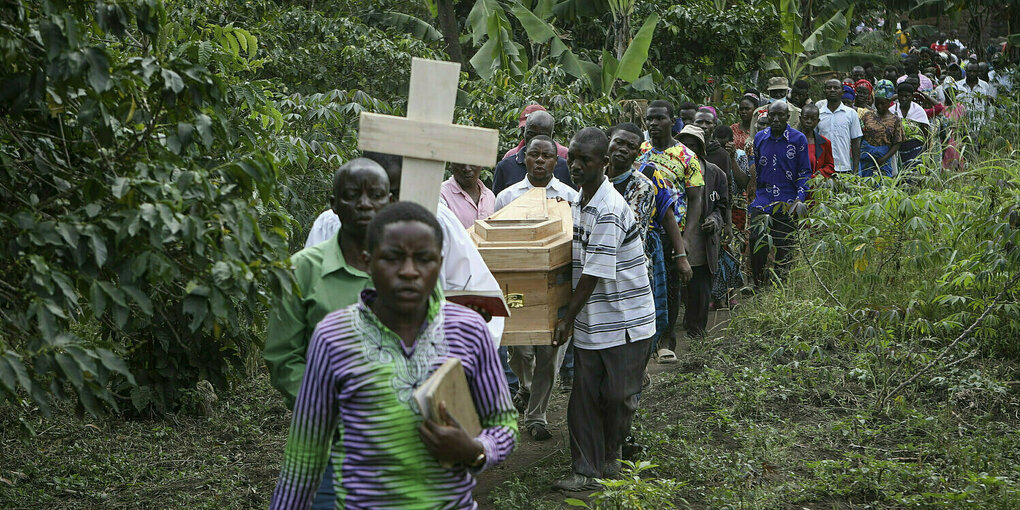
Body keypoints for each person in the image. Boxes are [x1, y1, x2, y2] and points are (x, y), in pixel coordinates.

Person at [269, 202, 518, 510]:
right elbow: (305, 453)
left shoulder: (469, 330)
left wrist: (475, 450)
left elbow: (504, 422)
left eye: (424, 259)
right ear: (367, 262)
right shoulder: (333, 336)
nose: (409, 271)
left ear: (440, 263)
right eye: (393, 258)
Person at [304, 152, 508, 383]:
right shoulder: (328, 226)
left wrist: (458, 374)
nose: (372, 206)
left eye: (392, 194)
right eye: (366, 193)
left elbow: (480, 296)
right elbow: (301, 319)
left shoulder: (437, 222)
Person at [265, 159, 391, 509]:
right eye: (352, 195)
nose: (364, 204)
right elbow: (283, 356)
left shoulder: (406, 268)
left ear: (389, 202)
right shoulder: (302, 270)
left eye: (375, 195)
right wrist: (329, 408)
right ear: (334, 204)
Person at [552, 127, 655, 491]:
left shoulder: (609, 207)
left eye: (584, 160)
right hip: (594, 321)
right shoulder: (580, 202)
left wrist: (566, 319)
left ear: (605, 164)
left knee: (617, 398)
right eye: (572, 158)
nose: (575, 166)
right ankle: (586, 469)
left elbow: (594, 273)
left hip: (626, 321)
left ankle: (609, 459)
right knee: (583, 397)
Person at [494, 135, 578, 441]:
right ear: (524, 158)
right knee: (519, 352)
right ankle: (526, 388)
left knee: (550, 353)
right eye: (534, 155)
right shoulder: (506, 197)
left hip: (556, 287)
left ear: (556, 162)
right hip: (519, 287)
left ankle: (537, 416)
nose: (540, 161)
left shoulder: (570, 197)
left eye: (546, 156)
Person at [608, 123, 685, 364]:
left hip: (641, 249)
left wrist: (681, 255)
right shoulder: (591, 173)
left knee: (645, 309)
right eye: (618, 142)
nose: (622, 149)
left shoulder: (648, 176)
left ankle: (642, 362)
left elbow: (667, 213)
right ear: (608, 141)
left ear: (638, 150)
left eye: (630, 146)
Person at [640, 100, 702, 364]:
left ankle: (667, 340)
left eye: (659, 119)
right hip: (642, 232)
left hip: (672, 232)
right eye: (650, 119)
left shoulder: (685, 156)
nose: (654, 124)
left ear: (671, 120)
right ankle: (645, 342)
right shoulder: (638, 151)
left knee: (672, 287)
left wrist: (687, 238)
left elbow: (695, 198)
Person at [749, 102, 810, 286]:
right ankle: (759, 285)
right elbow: (757, 168)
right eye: (772, 115)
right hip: (763, 200)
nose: (775, 119)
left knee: (785, 248)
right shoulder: (760, 138)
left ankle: (780, 287)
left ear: (787, 116)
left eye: (780, 115)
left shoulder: (798, 139)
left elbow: (805, 172)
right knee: (757, 244)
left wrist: (799, 199)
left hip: (788, 201)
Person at [676, 125, 727, 338]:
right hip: (676, 237)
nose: (688, 149)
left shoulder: (716, 174)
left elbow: (722, 207)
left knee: (701, 287)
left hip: (702, 240)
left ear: (701, 148)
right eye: (684, 145)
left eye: (693, 145)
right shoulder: (670, 172)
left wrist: (714, 221)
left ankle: (698, 331)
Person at [492, 110, 573, 196]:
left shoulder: (565, 168)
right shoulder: (505, 167)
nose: (536, 140)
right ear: (524, 133)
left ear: (552, 136)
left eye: (543, 135)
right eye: (531, 134)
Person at [816, 79, 863, 174]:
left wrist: (855, 169)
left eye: (836, 88)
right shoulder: (818, 114)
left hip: (844, 168)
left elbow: (856, 143)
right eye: (829, 88)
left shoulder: (851, 114)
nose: (832, 90)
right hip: (822, 169)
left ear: (842, 91)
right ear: (824, 91)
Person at [857, 81, 904, 177]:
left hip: (884, 158)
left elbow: (897, 142)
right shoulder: (867, 116)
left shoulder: (895, 120)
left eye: (883, 103)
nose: (879, 106)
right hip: (865, 157)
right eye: (877, 103)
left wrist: (883, 158)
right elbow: (860, 136)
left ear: (889, 101)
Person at [502, 104, 569, 160]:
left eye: (542, 134)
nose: (536, 139)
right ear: (523, 132)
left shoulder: (564, 155)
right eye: (531, 133)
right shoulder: (511, 155)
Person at [440, 163, 495, 229]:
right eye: (461, 163)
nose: (467, 169)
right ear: (451, 165)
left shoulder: (489, 196)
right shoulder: (441, 195)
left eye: (473, 163)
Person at [891, 81, 931, 171]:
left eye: (907, 96)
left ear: (912, 97)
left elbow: (926, 133)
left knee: (914, 172)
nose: (903, 99)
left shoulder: (918, 110)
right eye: (901, 96)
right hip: (897, 149)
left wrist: (927, 153)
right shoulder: (892, 110)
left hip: (915, 147)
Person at [955, 62, 998, 130]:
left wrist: (990, 126)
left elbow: (988, 107)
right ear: (966, 71)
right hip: (962, 128)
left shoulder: (985, 86)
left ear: (978, 72)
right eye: (970, 71)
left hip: (979, 127)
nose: (972, 73)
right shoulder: (958, 85)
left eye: (974, 71)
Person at [799, 104, 835, 180]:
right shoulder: (790, 140)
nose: (809, 121)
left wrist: (820, 173)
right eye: (806, 118)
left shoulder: (824, 142)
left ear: (818, 121)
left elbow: (830, 165)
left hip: (815, 186)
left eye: (813, 119)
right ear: (800, 118)